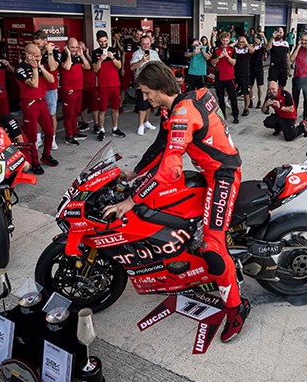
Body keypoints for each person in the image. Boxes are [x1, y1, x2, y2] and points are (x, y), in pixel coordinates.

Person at [103, 62, 249, 342]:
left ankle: (236, 309)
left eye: (146, 92)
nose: (144, 98)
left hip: (223, 174)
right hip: (209, 170)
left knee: (213, 247)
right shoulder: (179, 103)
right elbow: (161, 145)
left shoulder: (183, 114)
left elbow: (170, 169)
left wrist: (132, 200)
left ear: (159, 89)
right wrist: (135, 173)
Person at [14, 43, 55, 171]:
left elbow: (52, 79)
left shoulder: (38, 65)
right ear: (28, 55)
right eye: (36, 56)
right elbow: (34, 84)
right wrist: (35, 69)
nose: (39, 58)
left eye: (40, 55)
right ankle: (34, 161)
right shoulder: (20, 68)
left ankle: (46, 155)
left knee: (49, 131)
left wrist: (40, 67)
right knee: (31, 135)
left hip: (42, 101)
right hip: (29, 103)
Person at [90, 30, 124, 140]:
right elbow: (95, 69)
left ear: (108, 39)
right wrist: (100, 59)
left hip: (115, 84)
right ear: (97, 41)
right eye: (101, 41)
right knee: (102, 110)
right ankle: (102, 130)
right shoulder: (95, 53)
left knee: (115, 108)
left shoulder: (114, 50)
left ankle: (115, 128)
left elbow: (119, 66)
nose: (103, 43)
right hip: (102, 85)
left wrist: (112, 57)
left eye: (105, 41)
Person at [59, 37, 91, 145]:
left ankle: (74, 132)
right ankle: (69, 136)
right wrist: (69, 55)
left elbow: (87, 67)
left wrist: (82, 55)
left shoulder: (78, 56)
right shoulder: (63, 56)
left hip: (78, 89)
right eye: (72, 47)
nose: (74, 49)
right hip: (69, 90)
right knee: (69, 114)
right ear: (67, 47)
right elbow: (67, 67)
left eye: (76, 47)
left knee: (75, 112)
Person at [33, 31, 61, 151]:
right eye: (34, 43)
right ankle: (38, 138)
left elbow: (53, 67)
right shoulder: (34, 52)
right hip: (37, 88)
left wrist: (49, 52)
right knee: (37, 115)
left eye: (38, 43)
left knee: (51, 114)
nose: (36, 46)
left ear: (45, 40)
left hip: (50, 89)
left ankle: (52, 139)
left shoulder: (54, 51)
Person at [129, 33, 161, 135]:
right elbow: (132, 67)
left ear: (150, 43)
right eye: (144, 44)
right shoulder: (136, 54)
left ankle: (146, 121)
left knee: (149, 103)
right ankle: (141, 125)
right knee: (142, 105)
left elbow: (160, 65)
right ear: (140, 44)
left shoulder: (154, 53)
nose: (146, 46)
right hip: (141, 83)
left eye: (148, 44)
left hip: (152, 83)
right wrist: (141, 61)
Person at [209, 31, 239, 124]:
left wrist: (227, 56)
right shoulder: (216, 50)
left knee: (233, 97)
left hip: (229, 77)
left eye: (227, 40)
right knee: (220, 97)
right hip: (219, 77)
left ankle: (236, 115)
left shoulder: (232, 49)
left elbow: (234, 62)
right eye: (223, 40)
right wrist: (219, 57)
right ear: (221, 40)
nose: (225, 42)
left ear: (229, 40)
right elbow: (212, 62)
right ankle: (222, 115)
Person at [290, 31, 307, 120]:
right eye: (302, 40)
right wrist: (298, 47)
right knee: (295, 97)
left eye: (306, 40)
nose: (304, 42)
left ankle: (305, 116)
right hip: (298, 76)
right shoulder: (298, 48)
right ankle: (294, 114)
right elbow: (291, 59)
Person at [77, 40, 96, 133]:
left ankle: (97, 124)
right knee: (82, 106)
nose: (82, 49)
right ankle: (85, 122)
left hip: (91, 85)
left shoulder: (89, 56)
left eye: (83, 48)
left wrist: (87, 55)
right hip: (80, 86)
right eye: (79, 48)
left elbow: (91, 66)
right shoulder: (75, 57)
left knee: (94, 106)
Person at [233, 35, 253, 116]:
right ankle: (235, 109)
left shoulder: (247, 50)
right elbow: (228, 47)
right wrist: (236, 42)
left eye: (243, 42)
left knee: (245, 93)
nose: (241, 43)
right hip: (235, 74)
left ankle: (246, 108)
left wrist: (246, 43)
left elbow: (252, 50)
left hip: (245, 74)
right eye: (240, 41)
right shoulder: (235, 49)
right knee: (233, 93)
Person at [249, 30, 267, 109]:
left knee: (260, 86)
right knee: (250, 86)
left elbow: (267, 46)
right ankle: (250, 101)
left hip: (259, 69)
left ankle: (259, 101)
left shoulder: (261, 48)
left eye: (257, 38)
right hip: (251, 69)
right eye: (255, 38)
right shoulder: (250, 47)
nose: (256, 40)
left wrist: (263, 36)